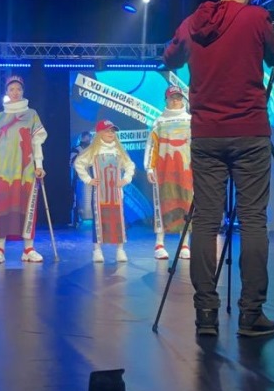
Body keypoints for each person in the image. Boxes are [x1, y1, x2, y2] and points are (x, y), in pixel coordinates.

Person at [163, 0, 274, 338]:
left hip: (206, 134)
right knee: (252, 220)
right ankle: (251, 314)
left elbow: (170, 58)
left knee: (205, 220)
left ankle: (206, 315)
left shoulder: (192, 23)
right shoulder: (257, 19)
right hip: (249, 133)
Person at [0, 74, 48, 263]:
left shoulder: (31, 114)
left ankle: (28, 249)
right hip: (4, 171)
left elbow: (37, 141)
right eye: (11, 89)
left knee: (27, 206)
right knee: (3, 207)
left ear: (23, 91)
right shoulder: (0, 117)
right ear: (6, 92)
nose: (15, 92)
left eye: (18, 89)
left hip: (26, 170)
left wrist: (39, 165)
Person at [74, 119, 135, 263]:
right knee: (99, 222)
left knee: (118, 221)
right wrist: (88, 180)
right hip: (99, 195)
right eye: (107, 131)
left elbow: (130, 165)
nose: (110, 133)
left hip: (116, 195)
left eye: (112, 131)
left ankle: (120, 250)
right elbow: (79, 163)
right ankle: (97, 250)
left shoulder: (119, 151)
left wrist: (126, 179)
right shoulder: (93, 151)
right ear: (100, 133)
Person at [144, 85, 193, 260]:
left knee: (186, 204)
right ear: (166, 100)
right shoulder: (159, 122)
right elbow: (152, 145)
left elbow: (196, 145)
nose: (175, 100)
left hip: (187, 169)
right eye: (172, 97)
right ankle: (159, 243)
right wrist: (149, 167)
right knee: (163, 204)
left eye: (178, 97)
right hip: (163, 170)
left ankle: (184, 243)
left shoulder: (190, 120)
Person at [69, 130, 93, 226]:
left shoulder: (93, 149)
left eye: (90, 137)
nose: (89, 139)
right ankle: (76, 220)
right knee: (77, 199)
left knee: (92, 198)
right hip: (79, 179)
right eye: (87, 137)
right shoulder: (76, 149)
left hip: (91, 178)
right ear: (83, 138)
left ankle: (94, 217)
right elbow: (72, 163)